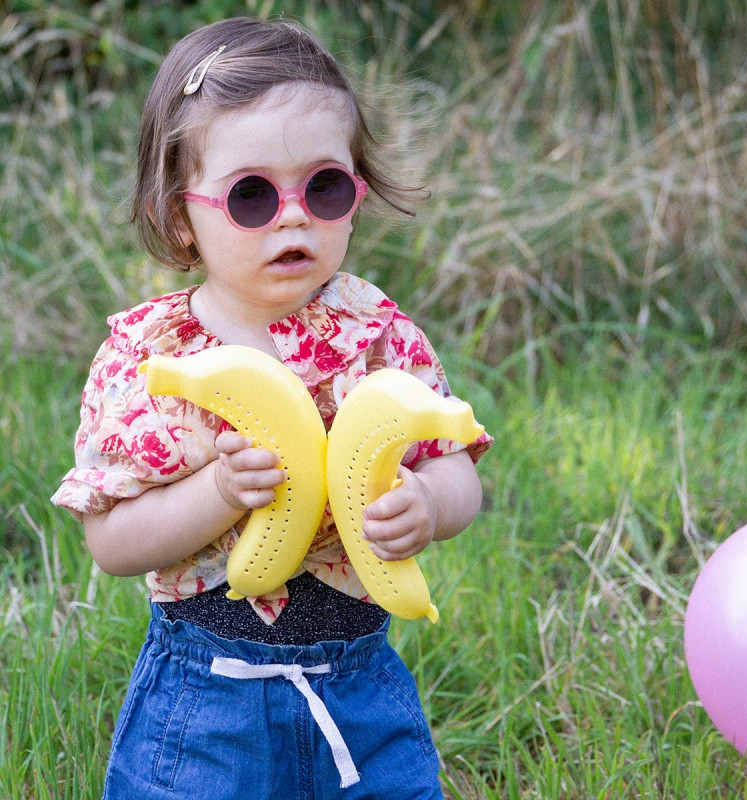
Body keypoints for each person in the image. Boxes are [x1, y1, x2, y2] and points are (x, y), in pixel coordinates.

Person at [52, 16, 491, 800]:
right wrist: (217, 492)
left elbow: (456, 465)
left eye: (322, 186)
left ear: (356, 194)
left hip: (360, 685)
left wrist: (429, 500)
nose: (293, 216)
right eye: (251, 196)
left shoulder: (377, 333)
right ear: (180, 215)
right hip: (206, 696)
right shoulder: (153, 358)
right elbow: (112, 541)